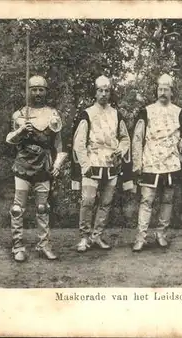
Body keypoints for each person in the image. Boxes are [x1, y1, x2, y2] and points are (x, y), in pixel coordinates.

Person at [131, 73, 182, 252]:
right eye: (160, 89)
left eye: (166, 89)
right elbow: (137, 138)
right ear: (156, 90)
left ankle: (161, 233)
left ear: (171, 92)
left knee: (167, 200)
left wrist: (181, 144)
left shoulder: (178, 112)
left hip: (170, 163)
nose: (163, 92)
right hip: (151, 162)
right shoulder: (146, 111)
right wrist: (137, 163)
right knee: (147, 200)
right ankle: (141, 237)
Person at [6, 75, 66, 262]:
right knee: (17, 208)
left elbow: (59, 146)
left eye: (41, 89)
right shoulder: (20, 114)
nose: (37, 93)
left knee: (42, 207)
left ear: (46, 91)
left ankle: (44, 244)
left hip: (43, 165)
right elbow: (10, 139)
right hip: (24, 163)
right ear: (28, 91)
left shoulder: (52, 114)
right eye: (34, 89)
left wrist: (57, 164)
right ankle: (18, 246)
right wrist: (21, 130)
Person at [72, 75, 133, 253]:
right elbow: (79, 143)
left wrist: (120, 150)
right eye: (100, 90)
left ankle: (97, 235)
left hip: (111, 165)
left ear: (110, 92)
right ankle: (84, 237)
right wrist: (85, 165)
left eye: (107, 90)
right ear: (95, 92)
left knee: (106, 202)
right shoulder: (87, 113)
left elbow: (125, 138)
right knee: (88, 201)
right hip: (92, 163)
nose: (104, 94)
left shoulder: (116, 114)